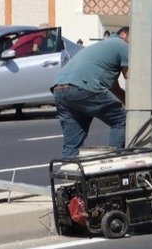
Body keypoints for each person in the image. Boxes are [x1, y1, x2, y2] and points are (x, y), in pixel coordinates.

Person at [51, 26, 130, 158]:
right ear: (123, 35)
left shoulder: (102, 47)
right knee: (122, 120)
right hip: (83, 86)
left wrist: (130, 104)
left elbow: (115, 89)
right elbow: (132, 78)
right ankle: (113, 164)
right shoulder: (121, 45)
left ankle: (70, 176)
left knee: (72, 144)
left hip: (60, 88)